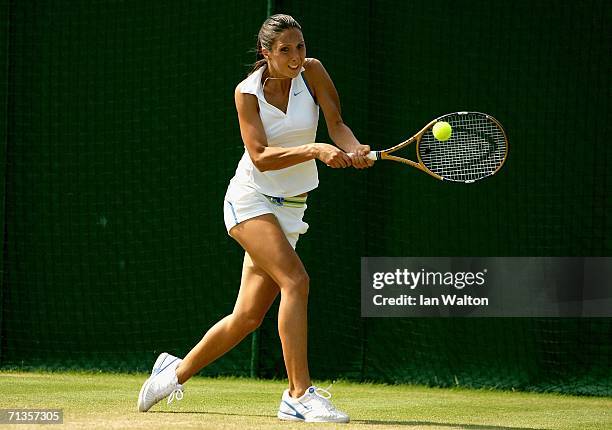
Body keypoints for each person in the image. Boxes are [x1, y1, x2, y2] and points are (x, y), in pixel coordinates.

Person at [137, 14, 372, 423]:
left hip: (293, 206)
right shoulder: (247, 93)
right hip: (251, 198)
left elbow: (336, 124)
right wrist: (315, 151)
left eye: (300, 46)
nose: (296, 56)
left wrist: (352, 148)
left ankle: (172, 372)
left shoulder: (313, 72)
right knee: (295, 280)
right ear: (266, 53)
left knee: (247, 317)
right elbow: (261, 156)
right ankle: (299, 394)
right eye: (285, 50)